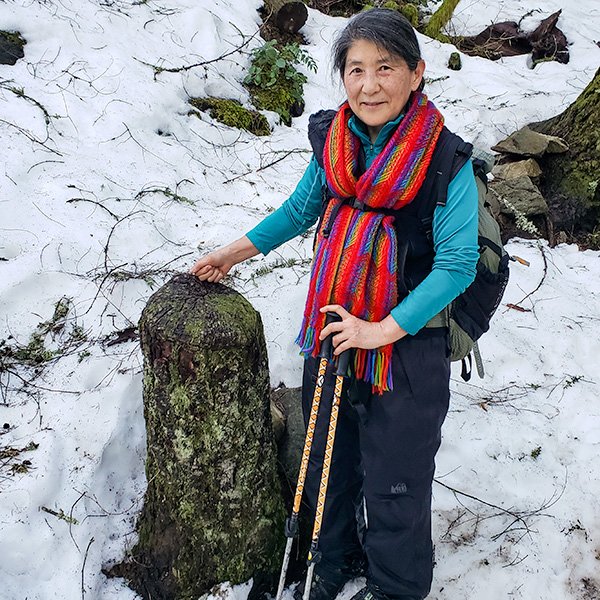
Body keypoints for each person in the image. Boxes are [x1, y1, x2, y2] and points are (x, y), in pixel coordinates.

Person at [191, 8, 479, 600]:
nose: (369, 84)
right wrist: (232, 253)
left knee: (396, 479)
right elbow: (301, 210)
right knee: (329, 461)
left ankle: (395, 586)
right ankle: (332, 561)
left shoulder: (448, 161)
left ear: (417, 73)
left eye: (385, 68)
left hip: (408, 346)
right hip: (332, 327)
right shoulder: (335, 142)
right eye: (355, 69)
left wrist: (381, 330)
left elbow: (457, 266)